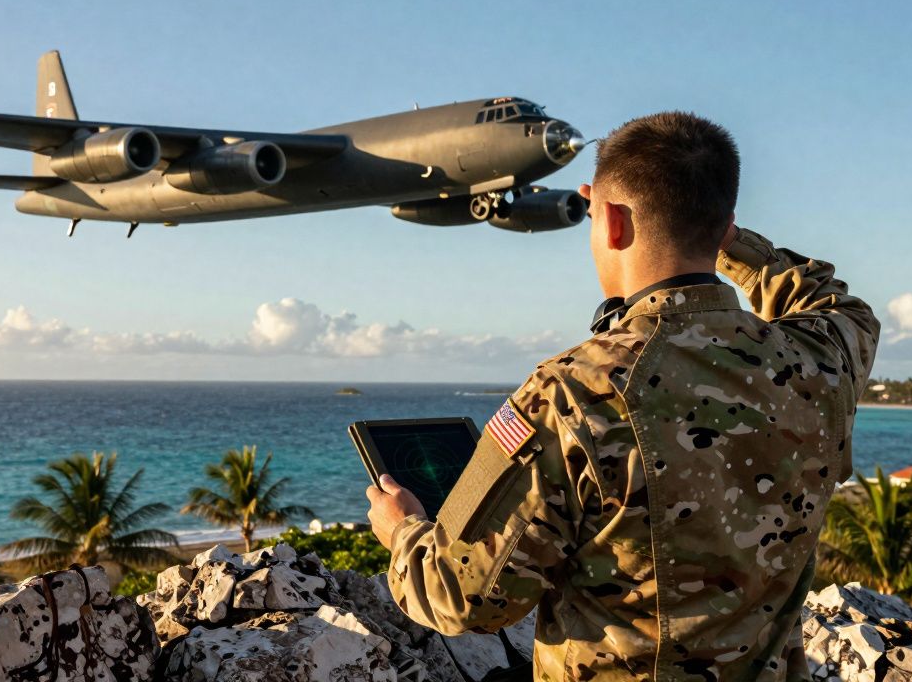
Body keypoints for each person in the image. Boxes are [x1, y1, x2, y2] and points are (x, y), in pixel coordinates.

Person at [365, 111, 879, 681]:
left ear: (609, 222)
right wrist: (727, 241)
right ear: (725, 225)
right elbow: (833, 301)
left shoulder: (575, 392)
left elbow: (459, 598)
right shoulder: (819, 361)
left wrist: (402, 531)